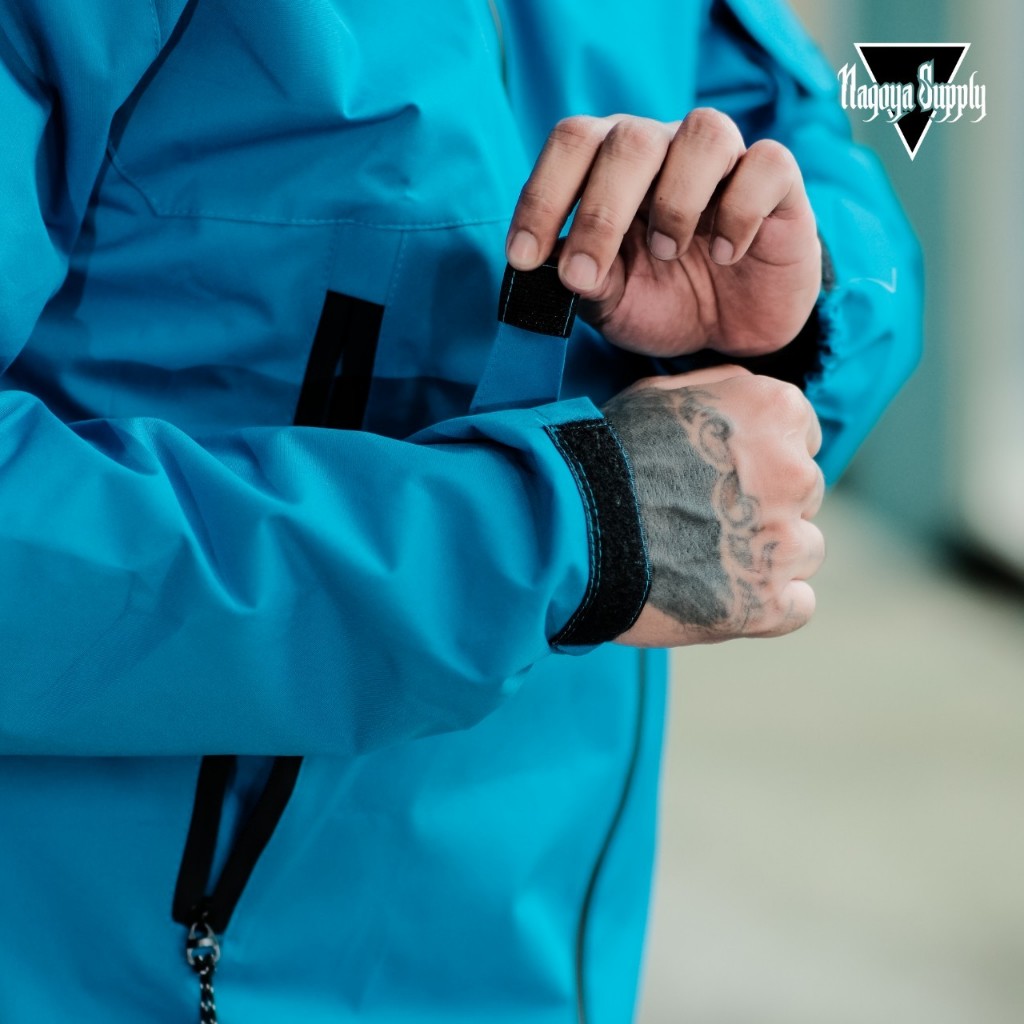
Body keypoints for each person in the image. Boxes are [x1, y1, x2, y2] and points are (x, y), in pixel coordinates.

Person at [0, 1, 920, 1021]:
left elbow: (808, 148)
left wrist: (797, 310)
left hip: (538, 941)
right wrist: (551, 533)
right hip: (126, 966)